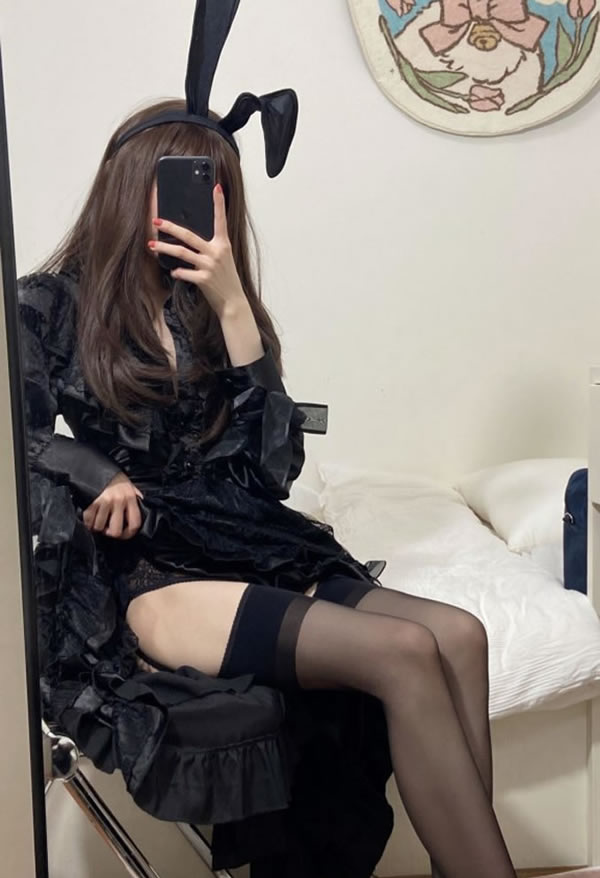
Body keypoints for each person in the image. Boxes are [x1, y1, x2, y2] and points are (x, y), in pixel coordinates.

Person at [19, 93, 518, 878]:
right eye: (181, 183)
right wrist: (94, 469)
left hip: (248, 544)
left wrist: (234, 308)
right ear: (129, 184)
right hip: (155, 571)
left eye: (216, 189)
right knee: (404, 650)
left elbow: (269, 473)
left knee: (461, 636)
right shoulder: (49, 304)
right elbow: (13, 436)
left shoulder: (214, 308)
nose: (199, 206)